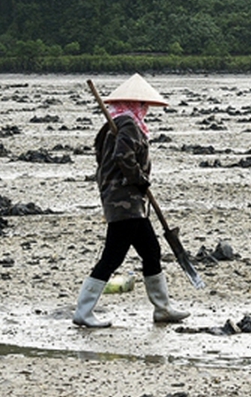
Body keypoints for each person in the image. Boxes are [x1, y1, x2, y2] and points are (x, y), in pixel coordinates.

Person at [73, 73, 189, 328]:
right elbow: (123, 157)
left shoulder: (113, 125)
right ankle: (83, 311)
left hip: (129, 201)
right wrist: (139, 180)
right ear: (136, 105)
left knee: (151, 251)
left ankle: (163, 308)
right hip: (124, 202)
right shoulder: (127, 125)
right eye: (144, 106)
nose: (146, 110)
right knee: (113, 257)